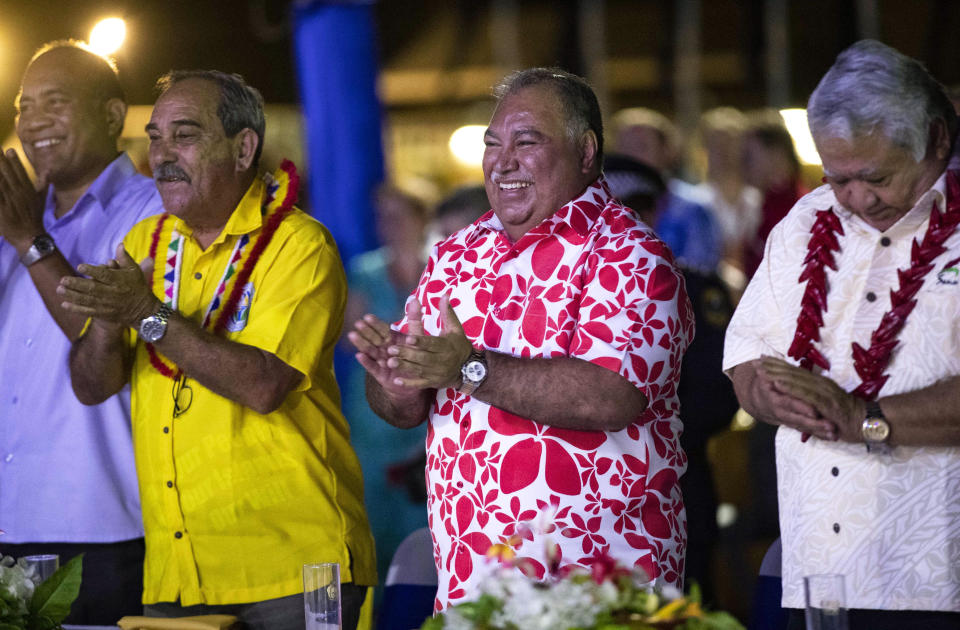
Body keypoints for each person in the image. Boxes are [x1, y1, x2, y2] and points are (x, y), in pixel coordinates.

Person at [349, 67, 695, 610]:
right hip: (473, 582)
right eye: (493, 144)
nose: (502, 160)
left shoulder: (630, 253)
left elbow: (613, 394)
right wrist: (398, 382)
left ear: (585, 152)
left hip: (600, 582)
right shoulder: (455, 254)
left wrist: (466, 368)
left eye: (526, 142)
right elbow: (405, 404)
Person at [59, 70, 376, 630]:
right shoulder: (144, 245)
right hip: (179, 572)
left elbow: (264, 385)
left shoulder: (300, 245)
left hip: (295, 570)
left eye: (184, 135)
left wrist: (143, 313)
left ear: (243, 147)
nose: (161, 155)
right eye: (154, 137)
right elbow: (91, 386)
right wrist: (109, 323)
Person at [724, 40, 960, 630]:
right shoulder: (806, 219)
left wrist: (864, 418)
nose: (855, 199)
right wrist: (768, 393)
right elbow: (747, 354)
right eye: (838, 178)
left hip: (936, 577)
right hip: (817, 573)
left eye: (875, 176)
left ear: (935, 139)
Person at [0, 41, 161, 625]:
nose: (33, 121)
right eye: (24, 106)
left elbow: (106, 342)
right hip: (8, 522)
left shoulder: (152, 212)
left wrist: (30, 242)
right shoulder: (15, 215)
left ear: (114, 116)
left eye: (55, 102)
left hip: (102, 524)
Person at [604, 153, 739, 604]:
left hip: (673, 488)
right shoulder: (556, 295)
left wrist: (626, 428)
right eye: (611, 205)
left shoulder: (696, 290)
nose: (625, 218)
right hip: (581, 503)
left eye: (638, 206)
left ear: (659, 209)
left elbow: (719, 396)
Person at [610, 106, 722, 271]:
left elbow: (700, 270)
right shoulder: (602, 207)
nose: (631, 156)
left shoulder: (692, 209)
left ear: (667, 151)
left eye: (642, 147)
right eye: (625, 147)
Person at [740, 111, 807, 278]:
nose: (744, 164)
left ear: (775, 153)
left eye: (750, 156)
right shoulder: (767, 202)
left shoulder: (794, 208)